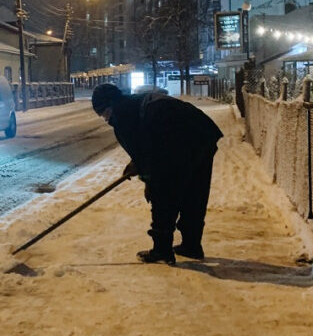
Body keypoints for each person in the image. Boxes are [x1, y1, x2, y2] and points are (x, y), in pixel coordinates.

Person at [91, 83, 223, 265]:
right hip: (203, 134)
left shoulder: (121, 116)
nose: (105, 118)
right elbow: (144, 149)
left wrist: (149, 183)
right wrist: (136, 164)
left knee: (163, 194)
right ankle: (191, 245)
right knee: (193, 192)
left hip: (178, 139)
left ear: (110, 105)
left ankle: (162, 250)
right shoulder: (133, 103)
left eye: (103, 112)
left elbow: (149, 157)